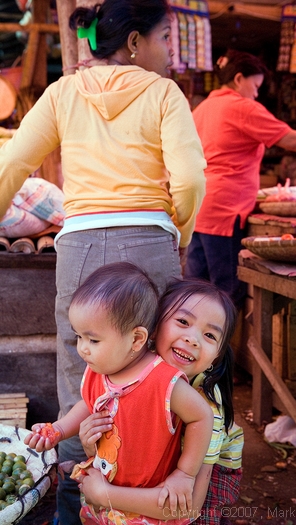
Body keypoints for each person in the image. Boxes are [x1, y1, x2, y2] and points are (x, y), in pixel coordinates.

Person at [0, 0, 206, 521]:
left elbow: (14, 161)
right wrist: (176, 231)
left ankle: (76, 510)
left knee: (81, 378)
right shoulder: (163, 93)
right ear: (135, 42)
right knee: (159, 374)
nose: (170, 51)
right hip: (149, 242)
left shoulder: (62, 92)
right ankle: (156, 502)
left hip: (80, 245)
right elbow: (189, 180)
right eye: (165, 38)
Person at [24, 262, 214, 525]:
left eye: (93, 340)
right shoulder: (99, 369)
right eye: (79, 337)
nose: (83, 349)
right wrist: (58, 428)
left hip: (146, 504)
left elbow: (202, 416)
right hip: (105, 500)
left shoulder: (164, 382)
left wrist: (185, 473)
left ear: (137, 339)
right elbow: (88, 404)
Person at [184, 49, 296, 309]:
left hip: (199, 209)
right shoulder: (241, 106)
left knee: (195, 293)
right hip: (225, 213)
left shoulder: (203, 107)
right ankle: (221, 351)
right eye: (256, 85)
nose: (257, 93)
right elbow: (291, 139)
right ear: (239, 79)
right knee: (225, 296)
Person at [75, 277, 244, 525]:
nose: (193, 339)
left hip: (203, 473)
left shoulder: (207, 410)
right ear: (153, 328)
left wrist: (106, 495)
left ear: (217, 355)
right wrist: (92, 444)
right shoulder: (139, 368)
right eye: (183, 322)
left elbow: (189, 508)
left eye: (209, 335)